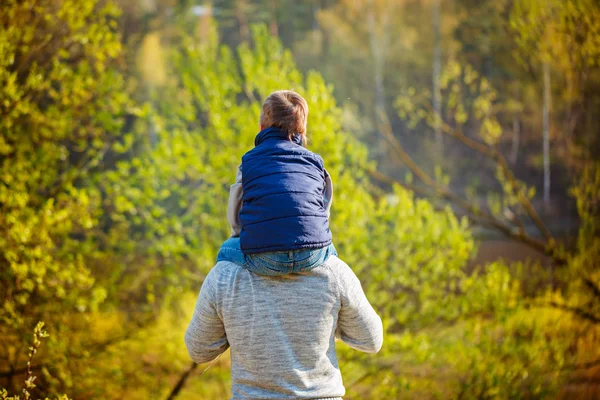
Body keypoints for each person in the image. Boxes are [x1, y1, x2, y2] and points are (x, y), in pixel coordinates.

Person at [184, 90, 383, 399]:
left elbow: (198, 350)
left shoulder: (225, 277)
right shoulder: (335, 274)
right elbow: (372, 340)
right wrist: (329, 324)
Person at [215, 90, 337, 275]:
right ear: (302, 131)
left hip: (265, 259)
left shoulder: (248, 162)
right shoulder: (315, 163)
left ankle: (223, 301)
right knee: (332, 253)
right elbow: (323, 214)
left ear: (261, 127)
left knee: (226, 249)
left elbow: (235, 221)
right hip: (310, 255)